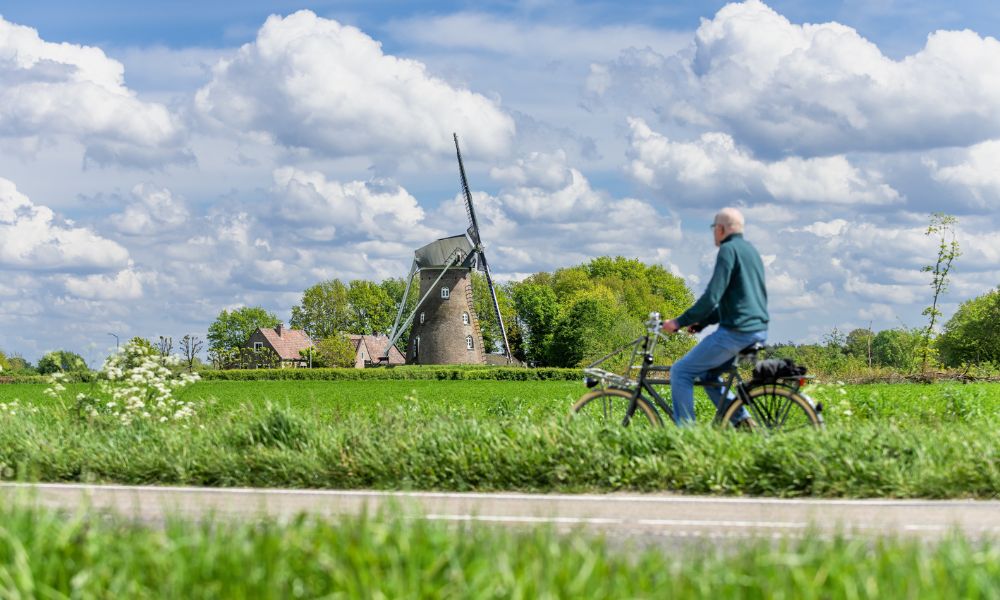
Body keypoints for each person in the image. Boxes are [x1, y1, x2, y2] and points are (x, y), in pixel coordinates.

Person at [660, 207, 768, 426]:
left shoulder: (728, 250)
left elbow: (712, 297)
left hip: (736, 332)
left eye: (713, 228)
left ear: (720, 229)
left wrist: (679, 321)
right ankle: (741, 421)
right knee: (709, 376)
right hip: (757, 329)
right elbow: (734, 302)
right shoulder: (751, 252)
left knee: (681, 371)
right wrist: (702, 323)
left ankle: (686, 436)